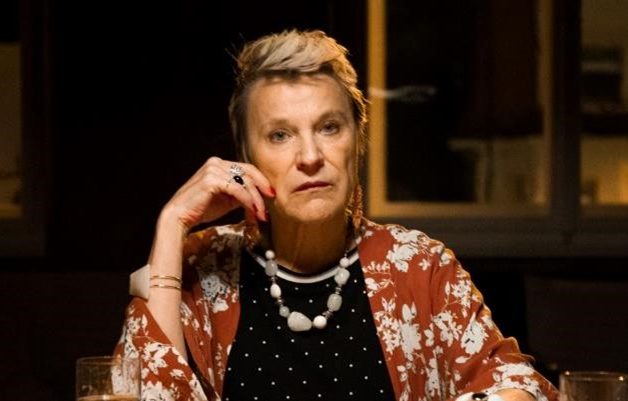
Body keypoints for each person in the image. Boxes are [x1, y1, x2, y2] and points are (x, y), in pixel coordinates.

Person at [114, 29, 558, 401]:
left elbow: (520, 385)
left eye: (329, 127)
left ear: (357, 141)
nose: (310, 156)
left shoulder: (420, 266)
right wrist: (172, 222)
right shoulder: (202, 265)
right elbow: (137, 393)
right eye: (280, 135)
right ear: (246, 158)